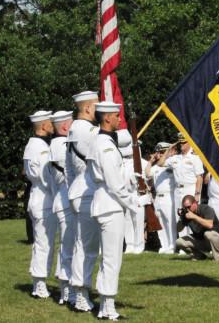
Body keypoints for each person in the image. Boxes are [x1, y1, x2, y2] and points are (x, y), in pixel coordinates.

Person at [90, 101, 137, 320]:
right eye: (116, 116)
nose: (120, 119)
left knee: (109, 257)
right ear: (107, 118)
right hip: (110, 204)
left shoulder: (105, 141)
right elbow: (113, 183)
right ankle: (108, 307)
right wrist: (132, 203)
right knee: (111, 258)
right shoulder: (105, 144)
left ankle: (105, 306)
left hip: (107, 203)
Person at [66, 91, 100, 312]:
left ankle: (77, 290)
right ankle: (80, 292)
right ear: (87, 108)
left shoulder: (76, 129)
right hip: (86, 190)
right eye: (97, 107)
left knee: (84, 245)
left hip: (81, 188)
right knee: (86, 247)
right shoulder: (84, 129)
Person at [23, 110, 57, 299]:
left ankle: (40, 282)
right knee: (44, 244)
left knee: (43, 243)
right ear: (43, 126)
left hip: (37, 197)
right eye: (50, 123)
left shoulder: (32, 145)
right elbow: (46, 177)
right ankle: (39, 284)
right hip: (45, 199)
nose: (52, 126)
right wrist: (60, 193)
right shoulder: (41, 147)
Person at [48, 111, 76, 305]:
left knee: (69, 245)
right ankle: (68, 290)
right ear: (65, 127)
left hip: (62, 196)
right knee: (70, 246)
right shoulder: (61, 145)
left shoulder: (56, 144)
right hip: (67, 197)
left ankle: (67, 288)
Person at [157, 133, 204, 238]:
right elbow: (160, 163)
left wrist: (197, 193)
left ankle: (194, 241)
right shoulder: (175, 158)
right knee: (180, 216)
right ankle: (183, 243)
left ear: (189, 143)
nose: (181, 145)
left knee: (192, 216)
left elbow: (199, 177)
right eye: (180, 143)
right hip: (178, 190)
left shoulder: (195, 158)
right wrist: (168, 150)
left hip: (190, 188)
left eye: (183, 142)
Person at [120, 131, 149, 254]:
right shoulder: (123, 163)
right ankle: (130, 244)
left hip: (138, 194)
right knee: (128, 220)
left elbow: (146, 179)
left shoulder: (143, 163)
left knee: (138, 221)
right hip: (127, 195)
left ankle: (139, 245)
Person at [145, 142, 177, 254]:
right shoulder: (156, 167)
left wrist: (169, 153)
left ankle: (172, 245)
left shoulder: (171, 164)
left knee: (170, 222)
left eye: (162, 152)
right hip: (158, 198)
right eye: (158, 152)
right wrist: (150, 161)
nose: (159, 154)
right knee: (161, 222)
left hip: (169, 196)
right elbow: (148, 174)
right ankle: (164, 245)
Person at [176, 195, 219, 262]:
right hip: (201, 240)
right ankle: (199, 256)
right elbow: (178, 229)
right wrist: (181, 218)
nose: (187, 209)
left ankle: (217, 258)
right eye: (185, 208)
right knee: (179, 241)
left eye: (188, 207)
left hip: (217, 239)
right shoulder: (187, 214)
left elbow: (210, 225)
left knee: (208, 234)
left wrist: (194, 217)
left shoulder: (206, 209)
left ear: (195, 203)